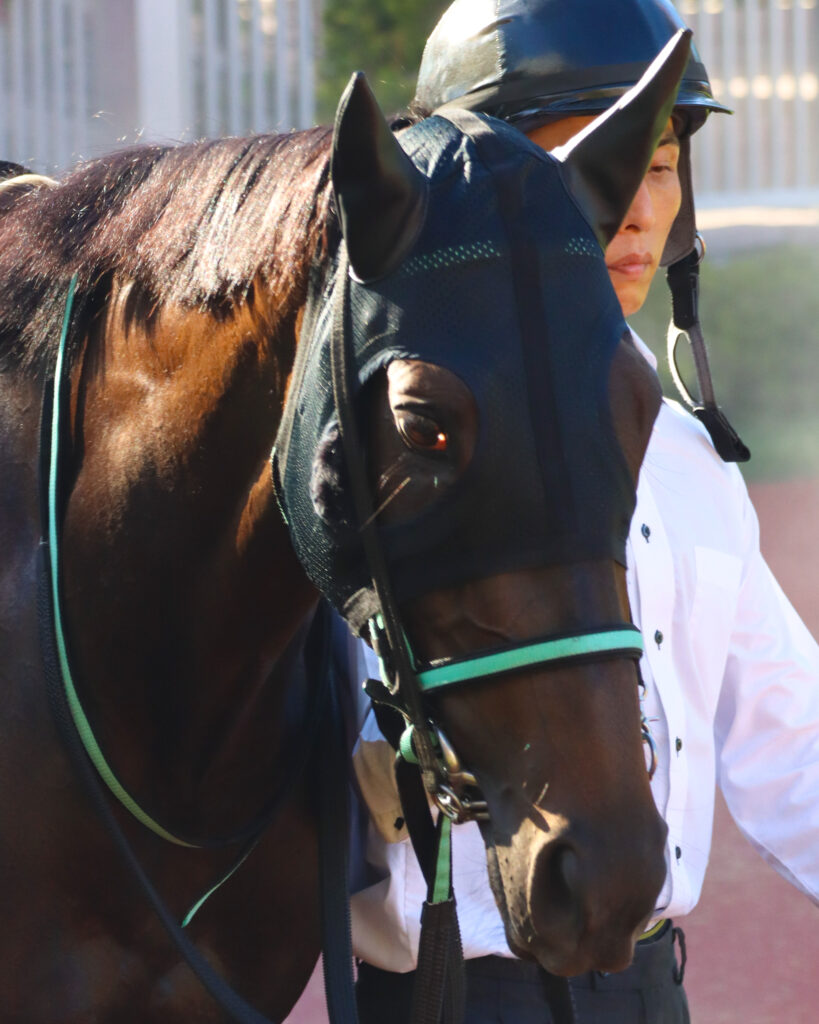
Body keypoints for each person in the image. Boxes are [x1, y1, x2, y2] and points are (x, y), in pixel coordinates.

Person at [349, 2, 819, 1022]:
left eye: (658, 168)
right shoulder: (387, 451)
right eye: (591, 170)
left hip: (648, 989)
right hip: (450, 993)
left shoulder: (693, 463)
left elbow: (796, 748)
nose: (637, 210)